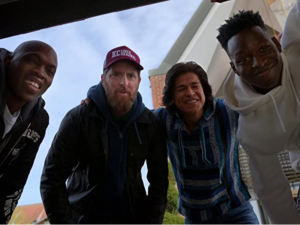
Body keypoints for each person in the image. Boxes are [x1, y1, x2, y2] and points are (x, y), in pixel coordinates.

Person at [40, 45, 168, 225]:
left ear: (138, 82)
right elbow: (52, 178)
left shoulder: (150, 124)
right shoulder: (79, 118)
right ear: (103, 79)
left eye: (130, 75)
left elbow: (159, 183)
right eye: (116, 74)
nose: (124, 82)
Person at [216, 1, 300, 224]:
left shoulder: (297, 48)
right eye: (243, 59)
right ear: (234, 68)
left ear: (276, 43)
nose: (259, 62)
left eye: (263, 48)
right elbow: (273, 193)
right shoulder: (251, 131)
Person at [155, 61, 258, 225]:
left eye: (195, 86)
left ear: (204, 89)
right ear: (172, 97)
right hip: (196, 218)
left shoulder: (228, 112)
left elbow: (258, 101)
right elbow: (136, 118)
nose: (190, 93)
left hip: (237, 212)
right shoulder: (163, 120)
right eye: (181, 88)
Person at [0, 40, 58, 224]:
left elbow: (15, 182)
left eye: (49, 71)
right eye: (31, 60)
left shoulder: (38, 121)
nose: (40, 72)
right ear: (9, 60)